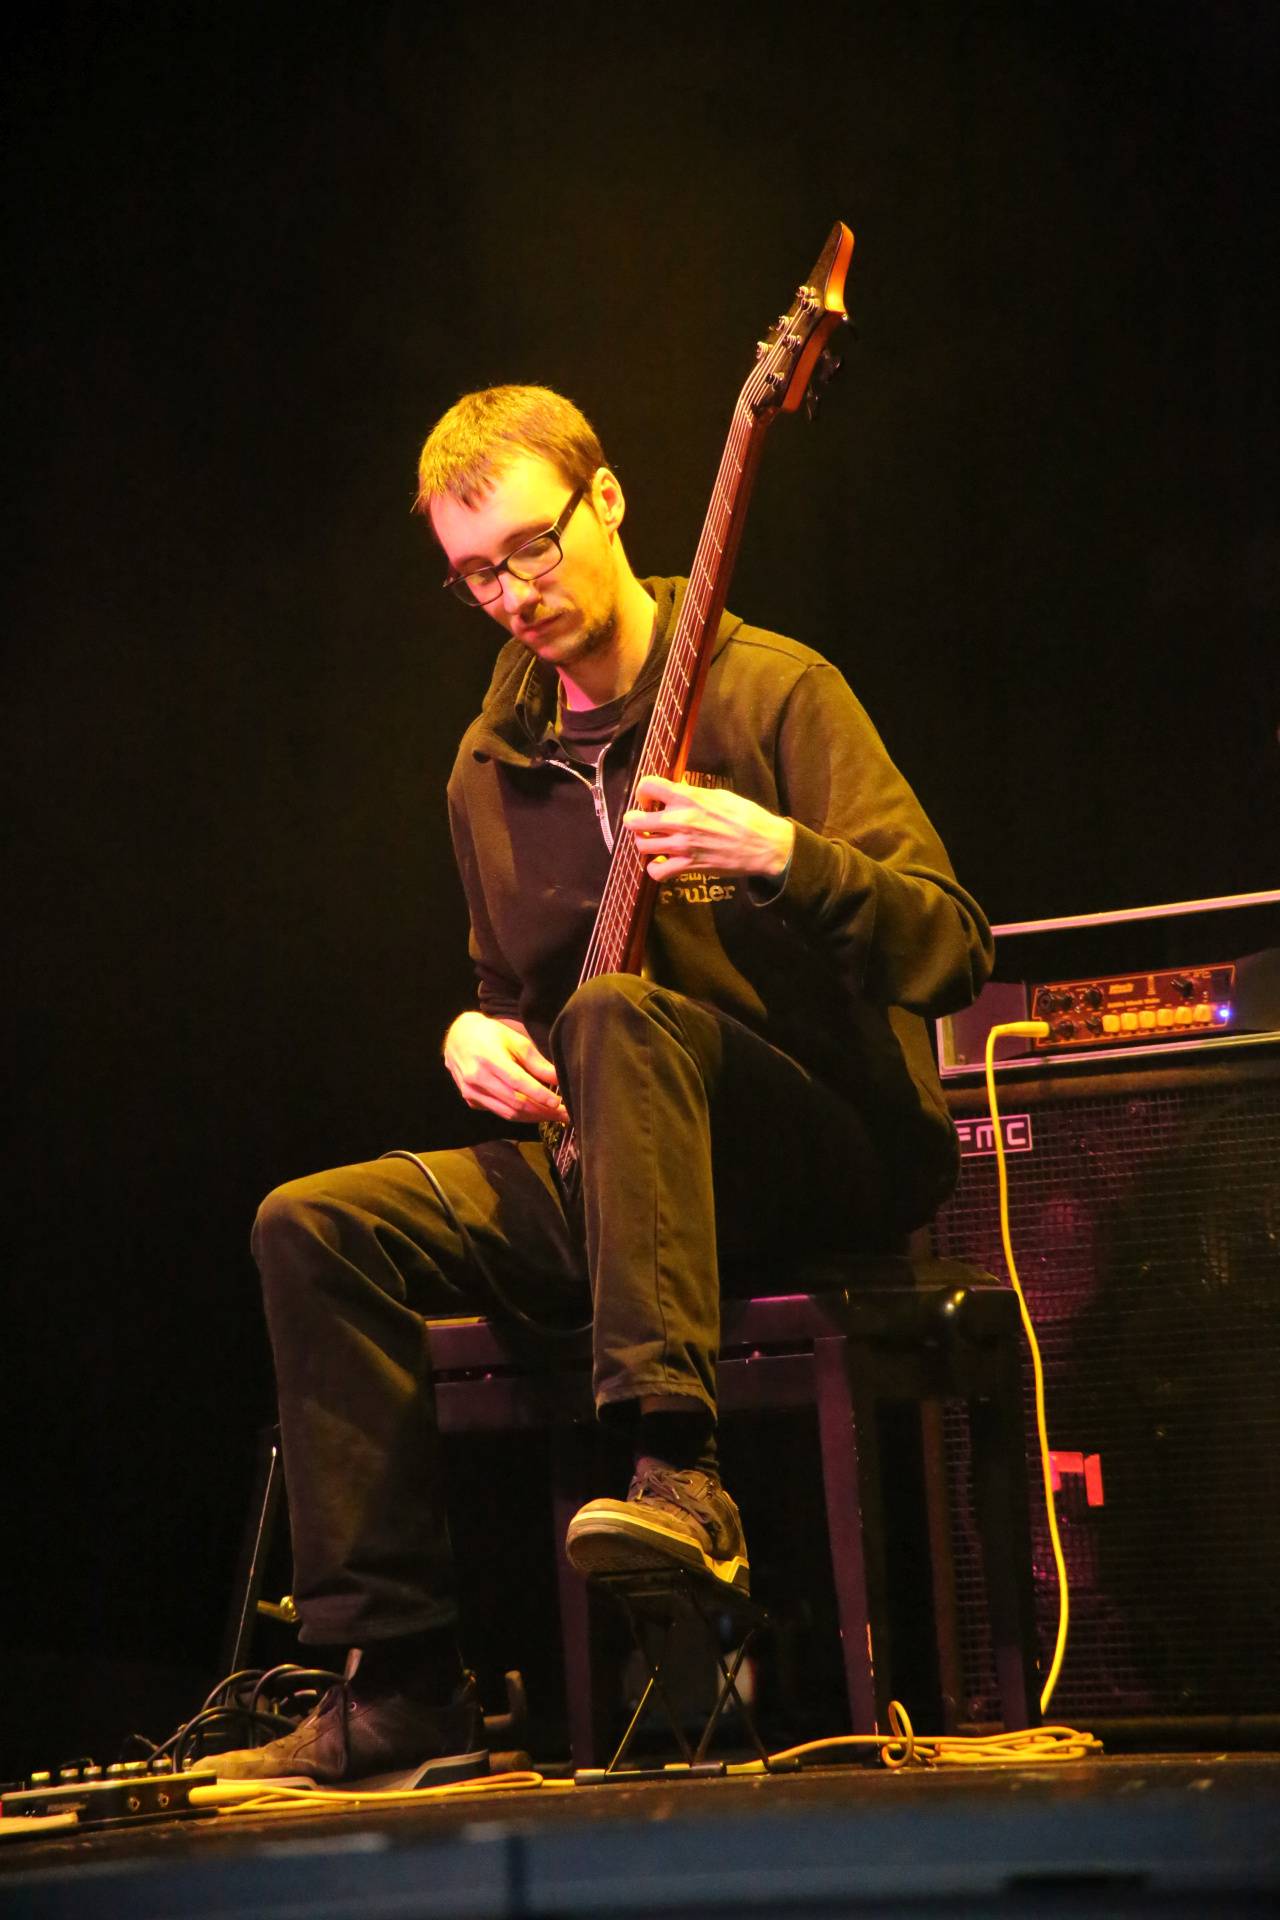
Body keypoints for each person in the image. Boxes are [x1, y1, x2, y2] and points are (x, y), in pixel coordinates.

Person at [207, 384, 993, 1782]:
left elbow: (951, 944)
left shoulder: (773, 690)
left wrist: (782, 856)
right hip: (616, 1182)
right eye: (476, 576)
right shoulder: (488, 768)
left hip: (811, 1153)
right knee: (311, 1225)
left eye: (532, 547)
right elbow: (517, 1002)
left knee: (621, 1018)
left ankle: (677, 1475)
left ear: (608, 499)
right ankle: (399, 1683)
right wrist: (471, 1037)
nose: (514, 595)